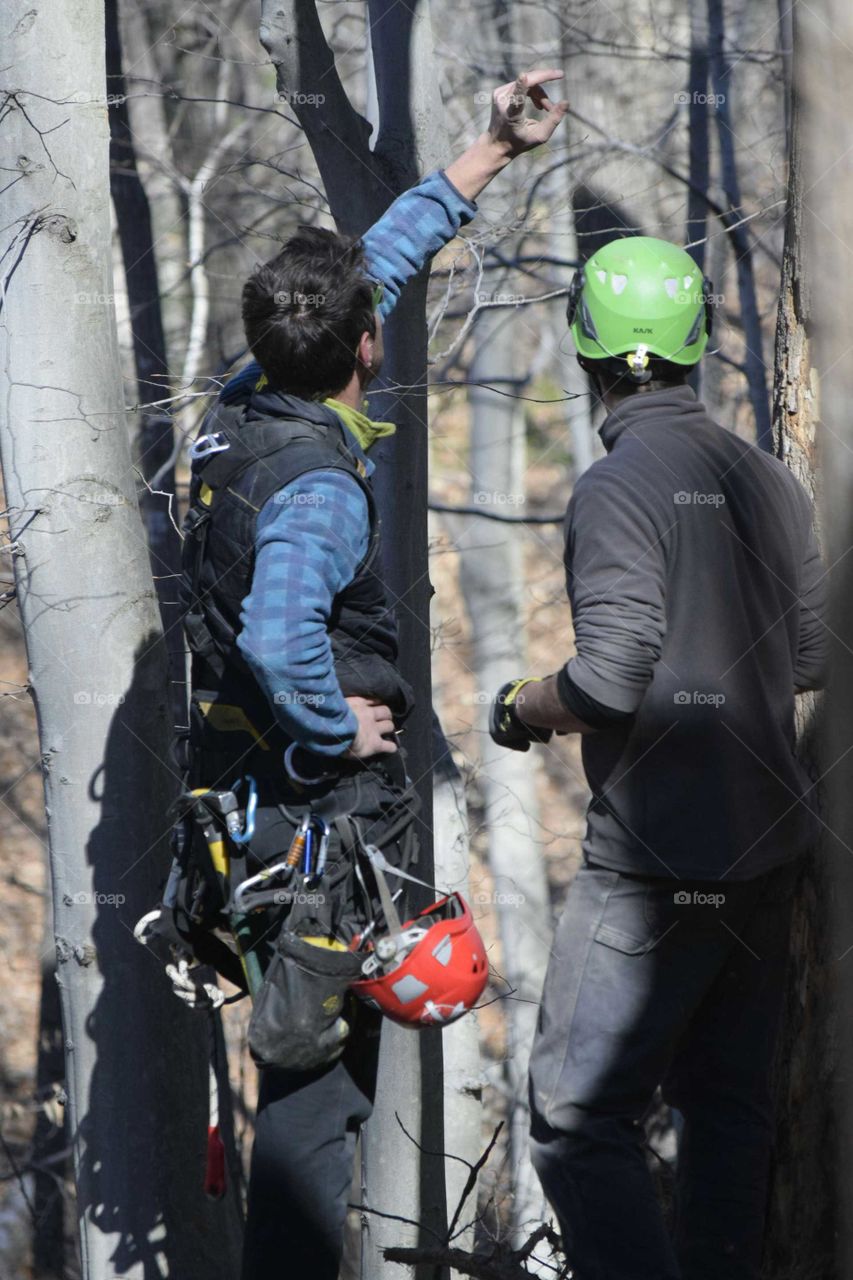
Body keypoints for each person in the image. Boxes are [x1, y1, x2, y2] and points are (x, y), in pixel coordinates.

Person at [179, 72, 569, 1280]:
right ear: (361, 350)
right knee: (313, 1120)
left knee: (313, 1102)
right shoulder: (314, 489)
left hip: (250, 816)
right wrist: (331, 728)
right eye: (370, 322)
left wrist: (484, 154)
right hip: (316, 840)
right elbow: (278, 630)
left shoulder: (248, 404)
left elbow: (374, 266)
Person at [489, 235, 829, 1280]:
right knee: (728, 1110)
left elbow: (614, 672)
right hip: (767, 859)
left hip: (652, 868)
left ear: (586, 347)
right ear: (695, 343)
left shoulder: (615, 485)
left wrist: (524, 704)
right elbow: (816, 648)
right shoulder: (768, 478)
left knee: (574, 1116)